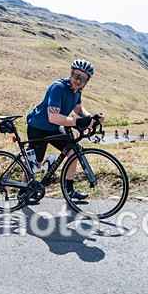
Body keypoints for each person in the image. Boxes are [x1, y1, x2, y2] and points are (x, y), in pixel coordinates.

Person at [26, 58, 104, 200]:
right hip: (38, 126)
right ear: (71, 73)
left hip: (54, 128)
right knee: (35, 163)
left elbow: (78, 109)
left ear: (87, 81)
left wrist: (91, 118)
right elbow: (53, 117)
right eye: (76, 76)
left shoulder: (77, 91)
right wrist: (78, 122)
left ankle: (69, 190)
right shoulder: (58, 88)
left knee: (73, 152)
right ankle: (24, 190)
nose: (78, 81)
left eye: (83, 79)